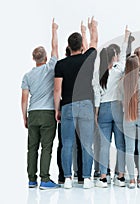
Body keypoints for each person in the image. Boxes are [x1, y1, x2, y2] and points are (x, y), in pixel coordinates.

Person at [54, 16, 98, 189]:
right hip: (86, 104)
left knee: (67, 143)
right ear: (81, 46)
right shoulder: (88, 59)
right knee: (87, 143)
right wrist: (91, 28)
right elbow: (94, 41)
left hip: (68, 106)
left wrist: (57, 109)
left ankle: (67, 179)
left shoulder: (61, 64)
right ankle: (86, 178)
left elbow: (57, 90)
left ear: (68, 46)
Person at [21, 18, 59, 189]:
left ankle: (31, 179)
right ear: (45, 57)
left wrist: (25, 117)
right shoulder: (51, 67)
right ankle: (44, 179)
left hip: (33, 113)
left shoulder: (27, 76)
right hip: (48, 113)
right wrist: (54, 30)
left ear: (33, 58)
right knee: (46, 148)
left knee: (32, 148)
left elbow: (23, 99)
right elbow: (55, 48)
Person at [93, 26, 130, 188]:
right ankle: (120, 176)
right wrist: (126, 38)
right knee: (120, 144)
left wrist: (96, 113)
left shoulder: (99, 73)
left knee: (104, 145)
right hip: (117, 108)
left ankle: (102, 177)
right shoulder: (117, 70)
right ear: (113, 57)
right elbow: (123, 59)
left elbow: (96, 95)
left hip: (103, 108)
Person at [122, 29, 140, 189]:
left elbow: (121, 60)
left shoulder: (123, 81)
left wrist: (126, 39)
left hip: (128, 118)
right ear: (138, 64)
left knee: (129, 149)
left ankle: (131, 180)